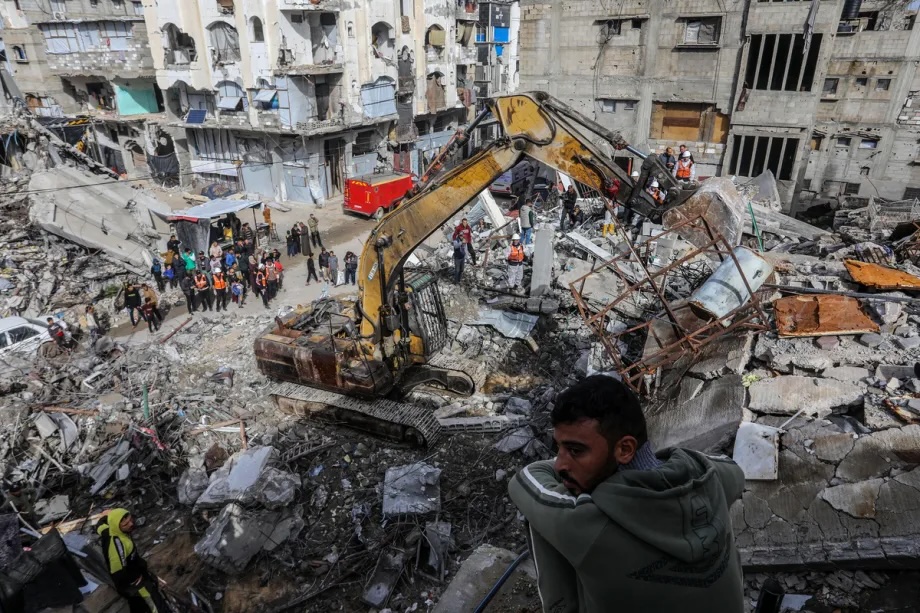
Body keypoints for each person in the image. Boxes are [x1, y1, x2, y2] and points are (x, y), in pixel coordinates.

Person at [508, 375, 745, 612]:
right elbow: (735, 470)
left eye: (575, 450)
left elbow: (523, 480)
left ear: (624, 449)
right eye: (558, 448)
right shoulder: (710, 476)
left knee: (547, 509)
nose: (560, 464)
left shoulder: (585, 523)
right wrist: (647, 461)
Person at [97, 508, 172, 613]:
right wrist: (133, 582)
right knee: (156, 608)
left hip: (138, 574)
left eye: (130, 520)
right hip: (137, 585)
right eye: (125, 524)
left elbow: (100, 526)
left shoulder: (108, 531)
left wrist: (106, 516)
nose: (130, 524)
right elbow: (117, 572)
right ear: (116, 526)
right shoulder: (117, 545)